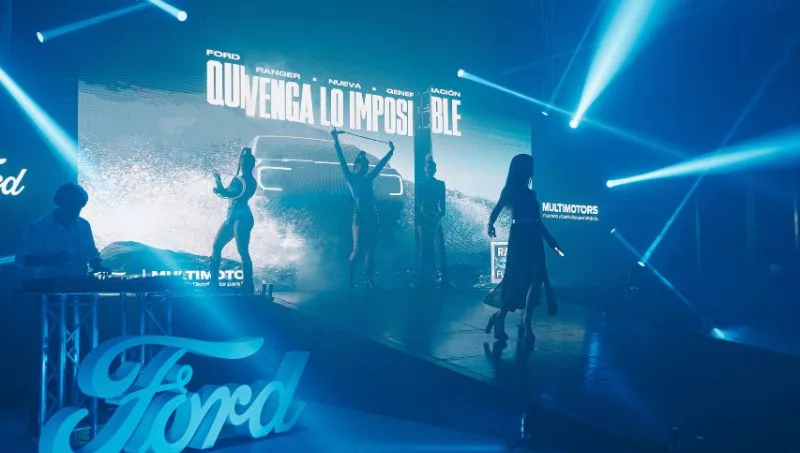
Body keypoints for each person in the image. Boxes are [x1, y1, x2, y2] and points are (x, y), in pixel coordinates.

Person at [484, 154, 560, 343]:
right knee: (518, 281)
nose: (532, 169)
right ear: (521, 169)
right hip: (519, 238)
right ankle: (500, 316)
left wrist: (550, 240)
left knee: (537, 278)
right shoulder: (510, 190)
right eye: (529, 166)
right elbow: (497, 209)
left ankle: (526, 321)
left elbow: (538, 221)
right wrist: (490, 224)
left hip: (535, 238)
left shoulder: (531, 193)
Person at [331, 128, 395, 289]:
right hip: (359, 215)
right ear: (357, 165)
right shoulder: (350, 177)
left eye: (366, 165)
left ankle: (368, 279)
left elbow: (380, 166)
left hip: (371, 214)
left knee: (370, 249)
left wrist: (391, 152)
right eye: (362, 164)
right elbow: (341, 159)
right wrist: (336, 140)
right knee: (358, 249)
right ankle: (350, 278)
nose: (365, 166)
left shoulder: (368, 178)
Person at [16, 183, 105, 280]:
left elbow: (91, 251)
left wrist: (97, 265)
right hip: (47, 284)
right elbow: (22, 259)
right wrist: (50, 260)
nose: (75, 209)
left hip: (78, 282)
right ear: (60, 202)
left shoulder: (84, 225)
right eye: (71, 204)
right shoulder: (40, 227)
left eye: (78, 205)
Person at [210, 147, 257, 293]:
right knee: (217, 246)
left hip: (242, 218)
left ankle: (248, 285)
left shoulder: (247, 181)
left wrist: (217, 180)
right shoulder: (240, 179)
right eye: (242, 161)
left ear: (251, 165)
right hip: (232, 217)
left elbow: (229, 193)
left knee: (242, 250)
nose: (242, 164)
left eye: (245, 162)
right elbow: (226, 193)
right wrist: (219, 190)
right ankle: (213, 283)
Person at [416, 154, 449, 286]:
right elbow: (419, 205)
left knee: (439, 246)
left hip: (435, 217)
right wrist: (428, 217)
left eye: (432, 168)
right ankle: (422, 276)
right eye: (428, 168)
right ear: (425, 169)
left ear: (435, 170)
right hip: (423, 218)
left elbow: (443, 206)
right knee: (423, 247)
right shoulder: (420, 185)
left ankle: (441, 275)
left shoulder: (441, 184)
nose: (430, 170)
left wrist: (437, 218)